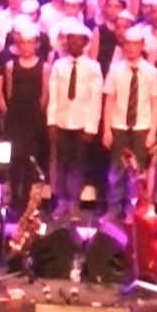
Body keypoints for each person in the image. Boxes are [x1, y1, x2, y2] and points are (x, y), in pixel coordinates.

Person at [101, 27, 157, 218]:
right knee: (117, 170)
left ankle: (132, 209)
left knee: (137, 171)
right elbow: (109, 100)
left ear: (142, 46)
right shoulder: (116, 70)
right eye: (128, 44)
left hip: (141, 126)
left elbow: (155, 103)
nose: (131, 48)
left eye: (136, 44)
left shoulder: (151, 72)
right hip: (119, 125)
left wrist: (152, 131)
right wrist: (107, 130)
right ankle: (113, 208)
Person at [46, 19, 103, 222]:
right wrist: (51, 122)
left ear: (85, 42)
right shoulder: (59, 66)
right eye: (70, 40)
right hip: (61, 121)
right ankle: (61, 201)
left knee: (78, 164)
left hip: (82, 123)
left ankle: (74, 203)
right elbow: (53, 95)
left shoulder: (93, 67)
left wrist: (92, 127)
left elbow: (95, 99)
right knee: (61, 163)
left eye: (78, 40)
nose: (73, 44)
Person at [4, 24, 50, 212]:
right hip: (16, 117)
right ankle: (14, 196)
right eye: (23, 43)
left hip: (33, 119)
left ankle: (26, 199)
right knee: (15, 158)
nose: (26, 47)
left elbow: (45, 95)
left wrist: (39, 115)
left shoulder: (44, 66)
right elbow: (9, 91)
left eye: (30, 43)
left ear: (36, 45)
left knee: (30, 160)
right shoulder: (10, 65)